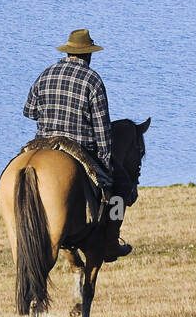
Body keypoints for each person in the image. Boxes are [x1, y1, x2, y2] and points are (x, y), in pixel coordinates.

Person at [23, 29, 136, 261]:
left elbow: (29, 111)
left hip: (42, 143)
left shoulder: (46, 74)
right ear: (88, 55)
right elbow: (102, 130)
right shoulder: (92, 80)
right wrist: (105, 164)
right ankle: (111, 241)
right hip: (78, 147)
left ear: (68, 52)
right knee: (121, 189)